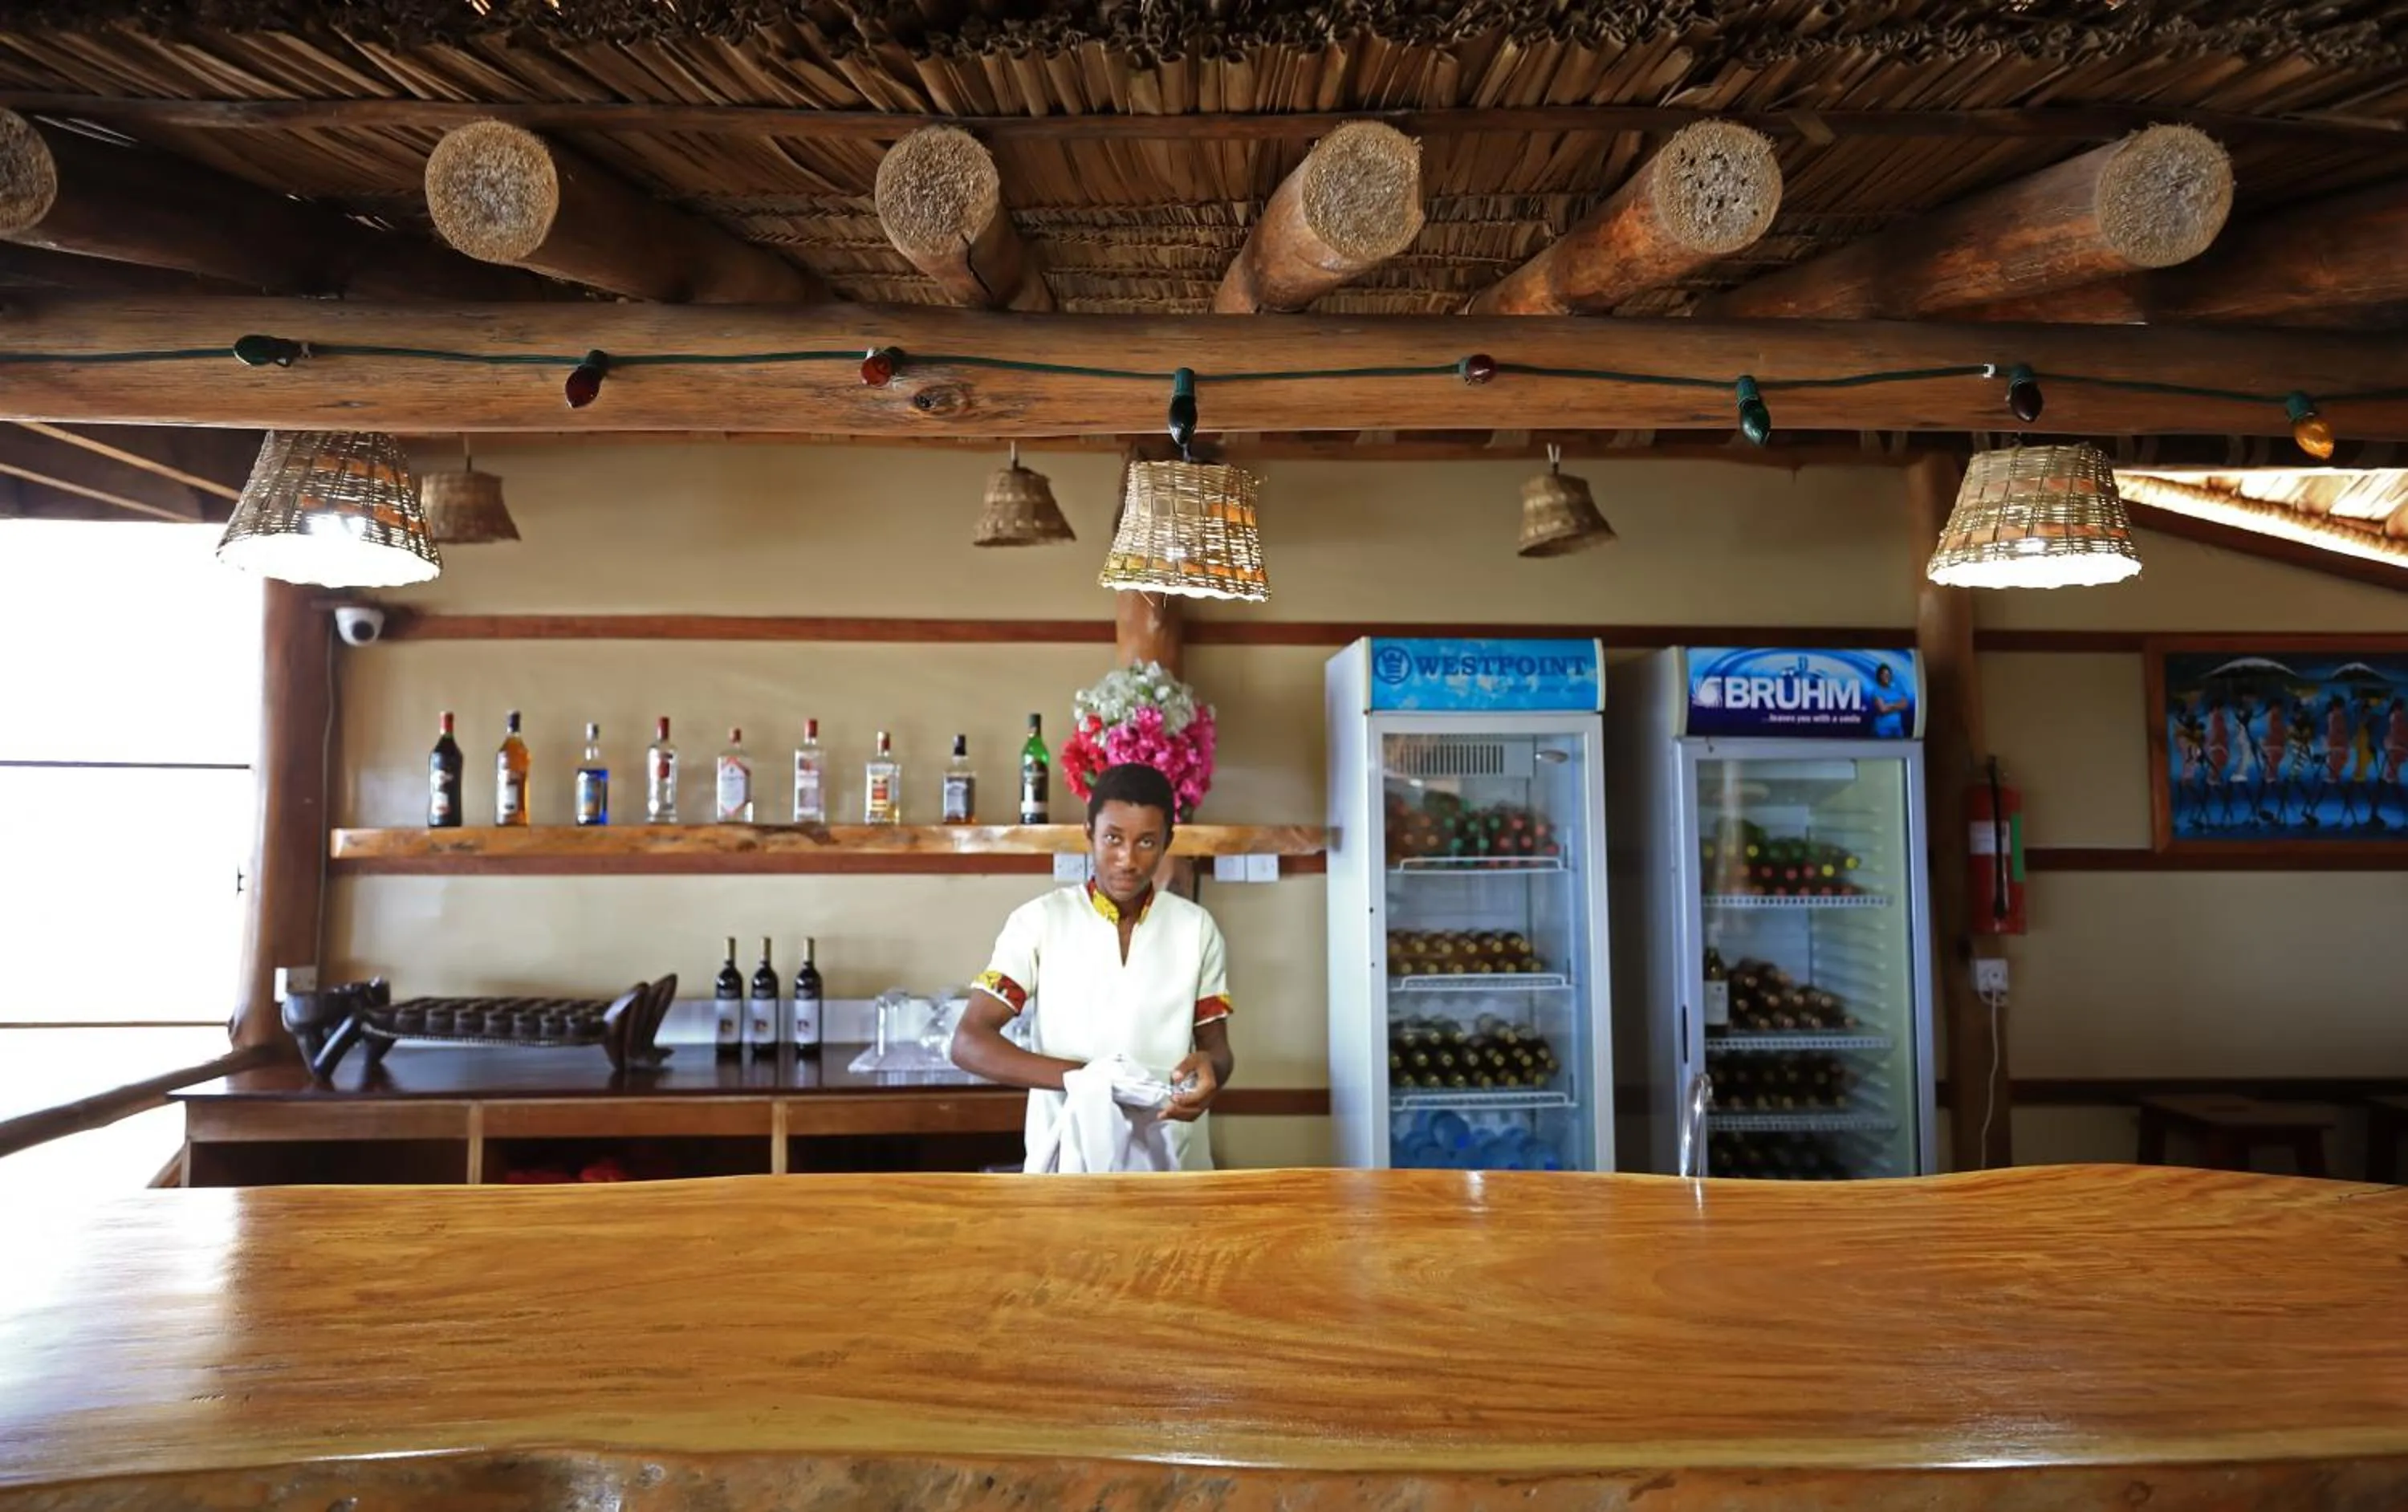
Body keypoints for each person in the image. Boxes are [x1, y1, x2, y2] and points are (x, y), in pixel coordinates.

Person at [950, 761, 1235, 1171]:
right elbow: (969, 1042)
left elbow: (1218, 1051)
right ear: (1089, 833)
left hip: (1172, 1163)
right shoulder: (1039, 922)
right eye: (1113, 838)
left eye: (1147, 842)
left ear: (1168, 841)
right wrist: (1087, 1080)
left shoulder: (1195, 928)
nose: (1127, 859)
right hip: (1067, 1162)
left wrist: (1211, 1070)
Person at [1869, 661, 1913, 739]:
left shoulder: (1897, 689)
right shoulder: (1876, 691)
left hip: (1897, 728)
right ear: (1880, 676)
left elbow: (1905, 705)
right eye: (1884, 675)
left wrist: (1890, 705)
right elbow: (1883, 709)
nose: (1887, 677)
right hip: (1882, 728)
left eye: (1888, 675)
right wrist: (1897, 705)